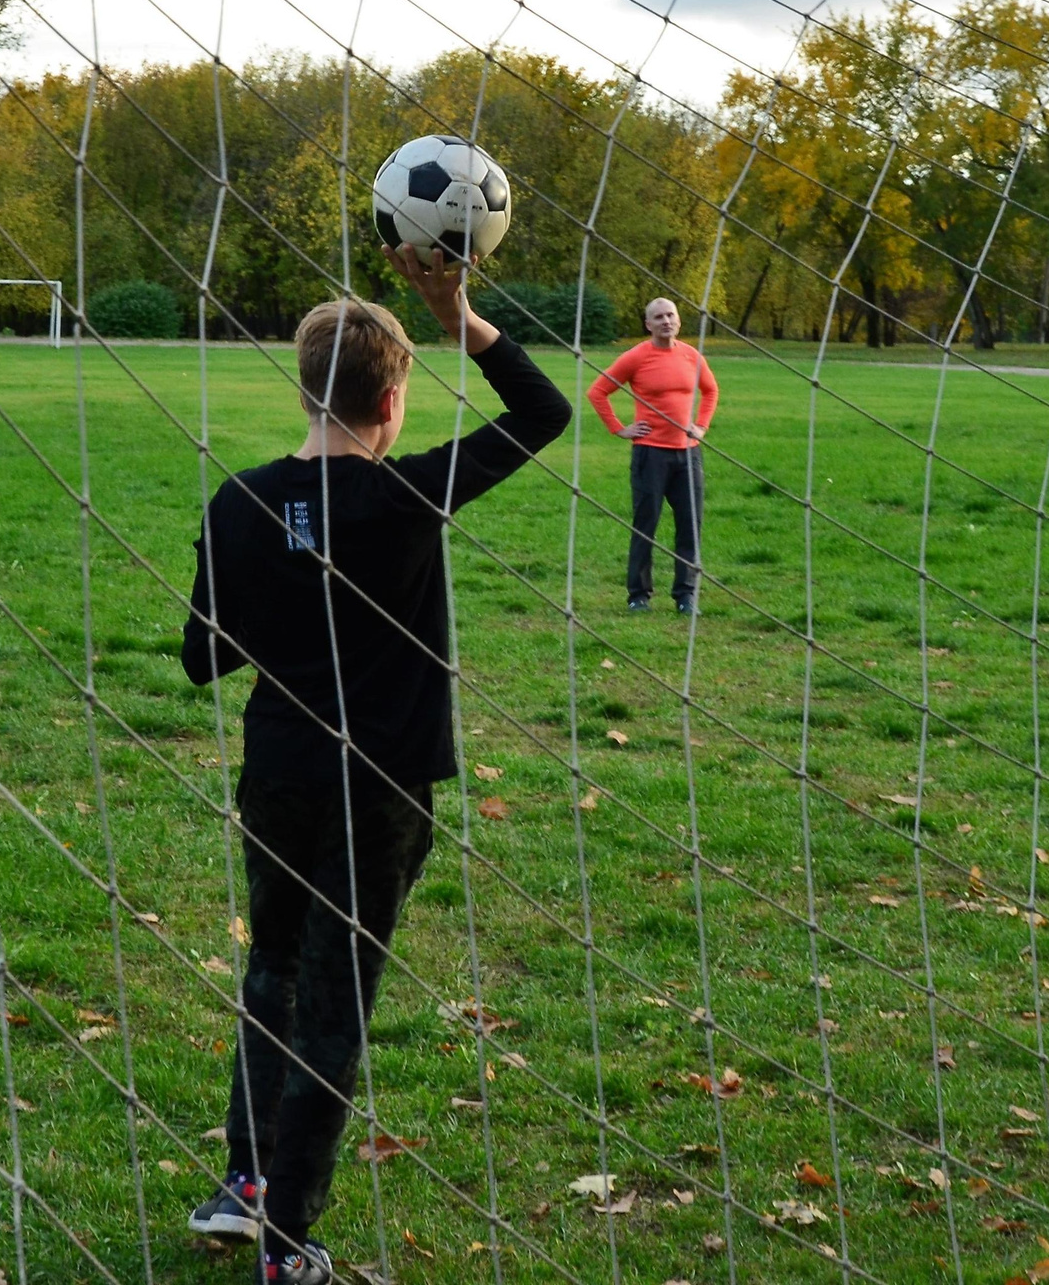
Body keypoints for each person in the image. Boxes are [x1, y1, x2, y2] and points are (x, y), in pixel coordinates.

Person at [179, 247, 569, 1284]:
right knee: (334, 1000)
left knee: (272, 965)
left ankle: (244, 1182)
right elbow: (543, 415)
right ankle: (288, 1240)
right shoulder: (407, 495)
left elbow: (200, 656)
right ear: (392, 397)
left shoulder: (238, 502)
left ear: (304, 386)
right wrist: (460, 314)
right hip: (379, 788)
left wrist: (282, 596)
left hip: (280, 777)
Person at [586, 297, 719, 615]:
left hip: (688, 455)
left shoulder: (691, 355)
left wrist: (701, 426)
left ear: (678, 320)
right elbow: (598, 391)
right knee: (646, 524)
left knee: (690, 525)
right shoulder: (636, 357)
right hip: (650, 455)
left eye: (670, 315)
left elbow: (711, 390)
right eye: (658, 317)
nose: (666, 321)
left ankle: (686, 595)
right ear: (648, 324)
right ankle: (638, 595)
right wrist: (618, 428)